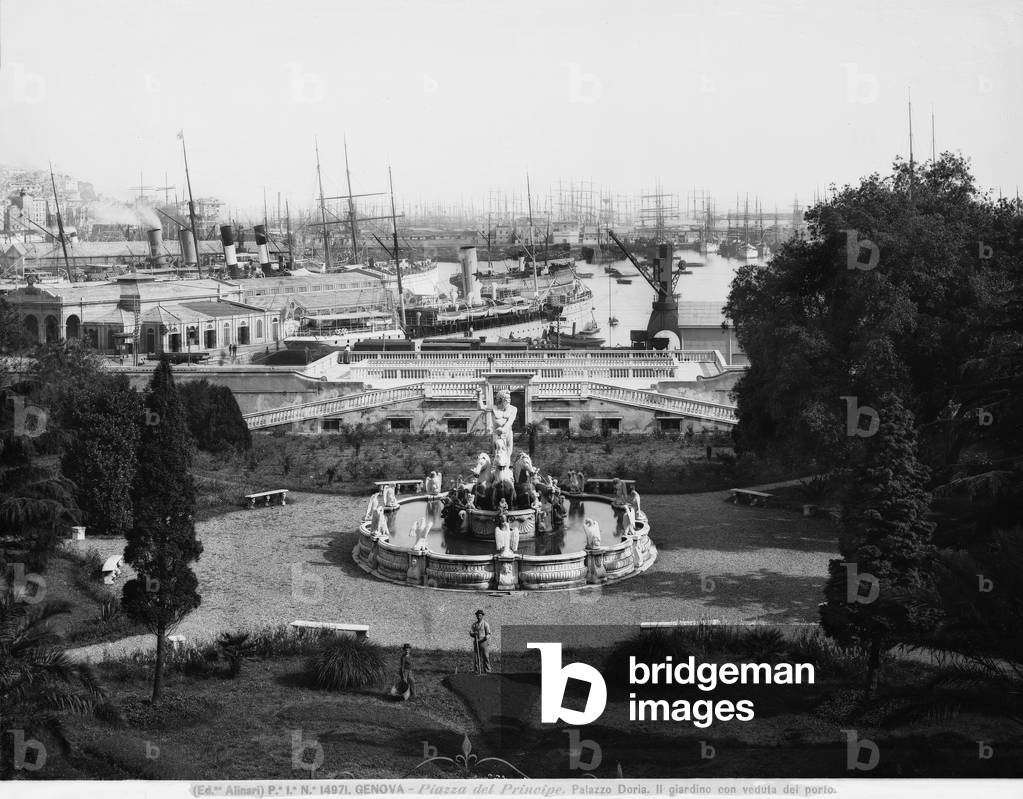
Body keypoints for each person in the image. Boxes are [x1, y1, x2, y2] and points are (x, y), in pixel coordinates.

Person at [491, 389, 517, 463]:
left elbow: (510, 421)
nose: (508, 400)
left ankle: (507, 468)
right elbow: (481, 407)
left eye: (509, 398)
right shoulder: (494, 408)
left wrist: (504, 429)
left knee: (508, 453)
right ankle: (496, 468)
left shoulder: (513, 409)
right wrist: (479, 394)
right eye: (506, 399)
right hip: (496, 433)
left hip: (508, 433)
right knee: (497, 452)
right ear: (500, 399)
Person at [470, 609, 492, 674]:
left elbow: (488, 634)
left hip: (484, 642)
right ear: (476, 616)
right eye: (477, 615)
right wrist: (474, 634)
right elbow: (471, 632)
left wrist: (485, 638)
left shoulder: (485, 624)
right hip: (476, 642)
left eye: (480, 615)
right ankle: (477, 671)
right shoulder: (474, 624)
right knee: (476, 657)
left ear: (482, 616)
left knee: (486, 656)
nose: (479, 616)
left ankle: (487, 670)